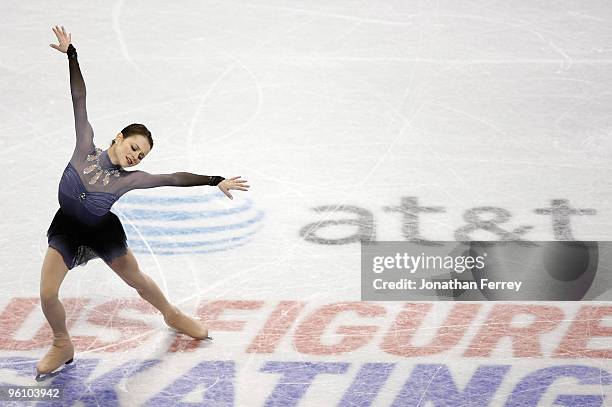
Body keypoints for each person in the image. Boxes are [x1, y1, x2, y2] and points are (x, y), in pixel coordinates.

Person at [37, 25, 250, 377]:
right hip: (67, 229)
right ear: (119, 138)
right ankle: (62, 344)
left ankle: (172, 314)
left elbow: (173, 178)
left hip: (102, 231)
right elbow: (79, 99)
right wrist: (72, 56)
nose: (136, 157)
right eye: (134, 147)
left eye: (142, 155)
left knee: (136, 279)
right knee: (47, 293)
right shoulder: (84, 147)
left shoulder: (131, 180)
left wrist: (215, 180)